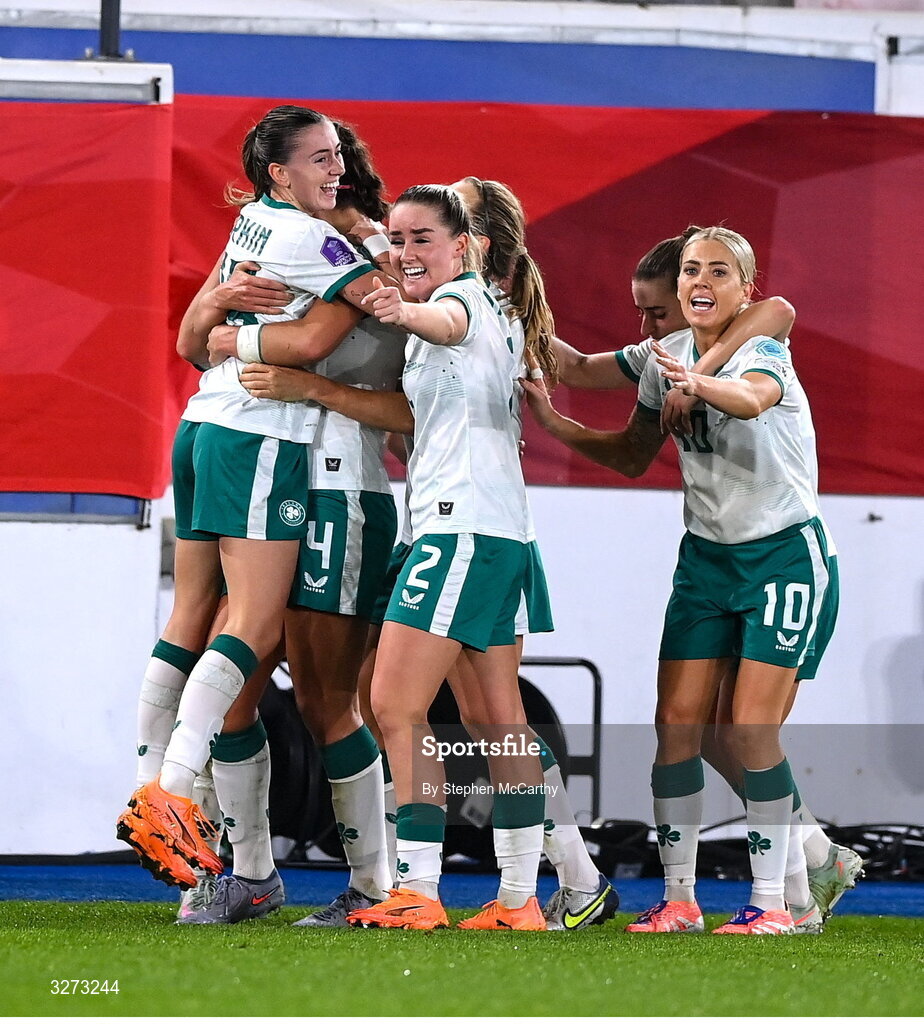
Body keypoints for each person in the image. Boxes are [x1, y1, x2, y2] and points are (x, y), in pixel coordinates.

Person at [117, 104, 408, 892]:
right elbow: (195, 335)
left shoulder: (380, 262)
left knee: (327, 699)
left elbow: (380, 386)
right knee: (239, 686)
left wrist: (232, 335)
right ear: (286, 173)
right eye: (322, 160)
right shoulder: (312, 241)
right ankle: (236, 865)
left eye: (340, 162)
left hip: (338, 485)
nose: (335, 172)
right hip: (268, 454)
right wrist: (218, 316)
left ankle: (382, 884)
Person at [523, 226, 840, 936]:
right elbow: (579, 374)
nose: (700, 281)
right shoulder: (657, 355)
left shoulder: (761, 347)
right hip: (705, 560)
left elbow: (756, 394)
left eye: (717, 271)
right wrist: (513, 301)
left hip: (782, 558)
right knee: (676, 730)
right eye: (692, 269)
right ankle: (680, 900)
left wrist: (699, 383)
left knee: (749, 733)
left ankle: (776, 903)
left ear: (741, 287)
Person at [306, 184, 548, 930]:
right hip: (493, 531)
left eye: (422, 240)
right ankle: (518, 901)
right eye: (399, 239)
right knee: (497, 719)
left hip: (460, 532)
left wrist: (403, 311)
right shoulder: (498, 307)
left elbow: (442, 322)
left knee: (393, 706)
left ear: (465, 245)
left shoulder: (466, 303)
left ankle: (418, 887)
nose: (407, 252)